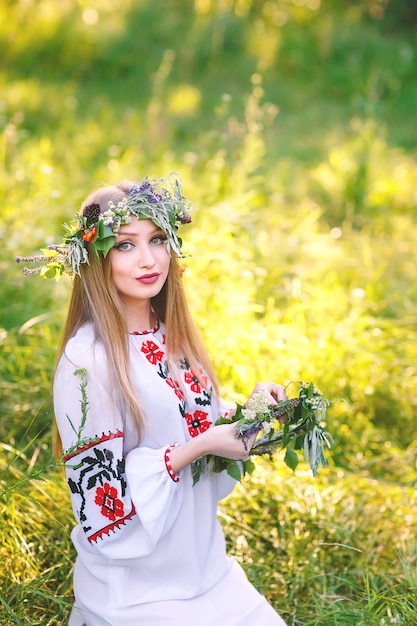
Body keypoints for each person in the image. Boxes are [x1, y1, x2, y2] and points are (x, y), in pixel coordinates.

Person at [19, 174, 288, 626]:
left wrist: (251, 412)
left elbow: (190, 419)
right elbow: (103, 511)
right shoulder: (88, 360)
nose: (148, 260)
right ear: (95, 257)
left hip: (206, 572)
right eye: (125, 245)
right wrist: (201, 447)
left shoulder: (172, 335)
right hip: (135, 591)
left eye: (158, 240)